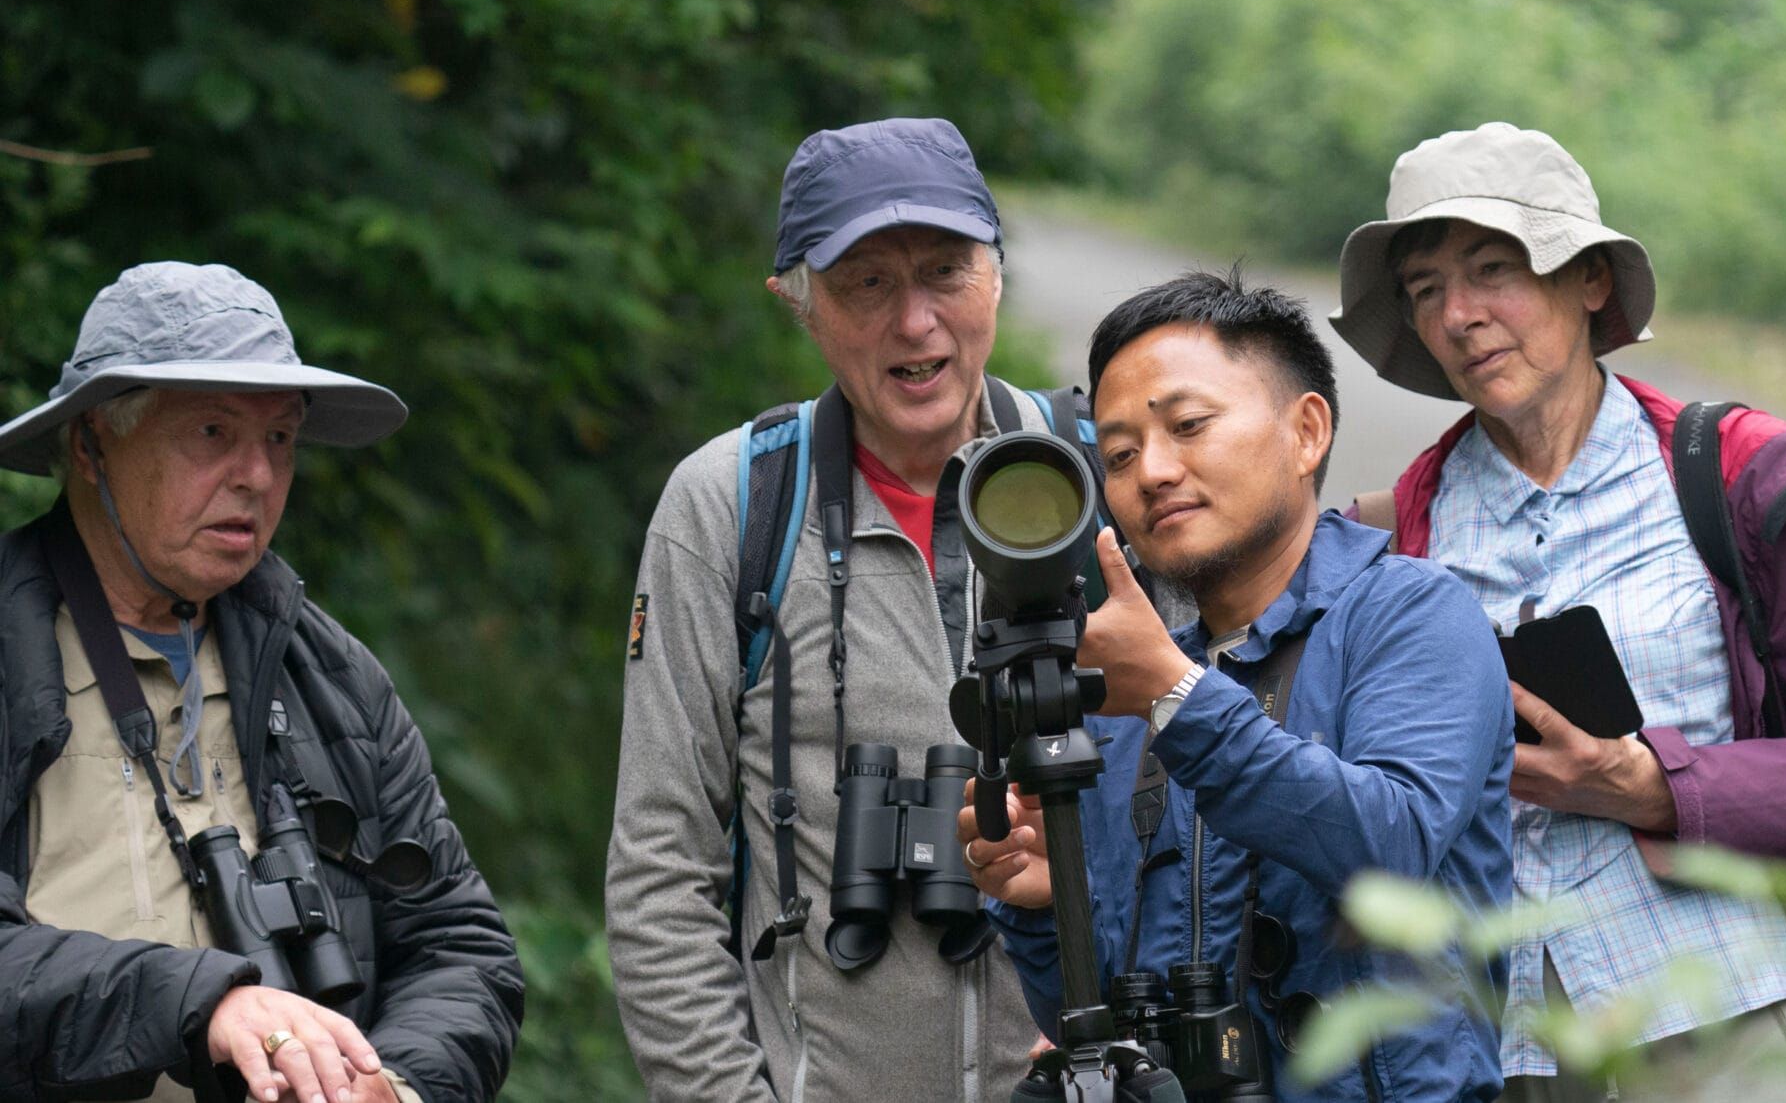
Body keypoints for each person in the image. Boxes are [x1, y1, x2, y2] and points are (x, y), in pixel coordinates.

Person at [1331, 123, 1786, 1101]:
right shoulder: (1403, 523)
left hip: (1715, 1022)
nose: (1458, 315)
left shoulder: (1728, 472)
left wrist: (1652, 787)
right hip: (1489, 1045)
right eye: (1425, 288)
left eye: (1494, 268)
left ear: (1589, 281)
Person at [966, 270, 1515, 1101]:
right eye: (1117, 454)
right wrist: (1045, 908)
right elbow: (1104, 1019)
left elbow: (1394, 846)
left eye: (1188, 425)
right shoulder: (1123, 703)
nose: (1151, 471)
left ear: (1307, 432)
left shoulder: (1411, 614)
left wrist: (1177, 698)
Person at [608, 118, 1058, 1101]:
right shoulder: (730, 504)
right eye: (867, 282)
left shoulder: (1091, 477)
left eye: (945, 270)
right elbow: (658, 875)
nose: (915, 322)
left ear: (995, 275)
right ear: (799, 303)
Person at [0, 262, 524, 1103]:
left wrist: (397, 1084)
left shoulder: (331, 675)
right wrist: (200, 1004)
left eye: (279, 437)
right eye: (212, 432)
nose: (257, 475)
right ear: (92, 443)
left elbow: (459, 946)